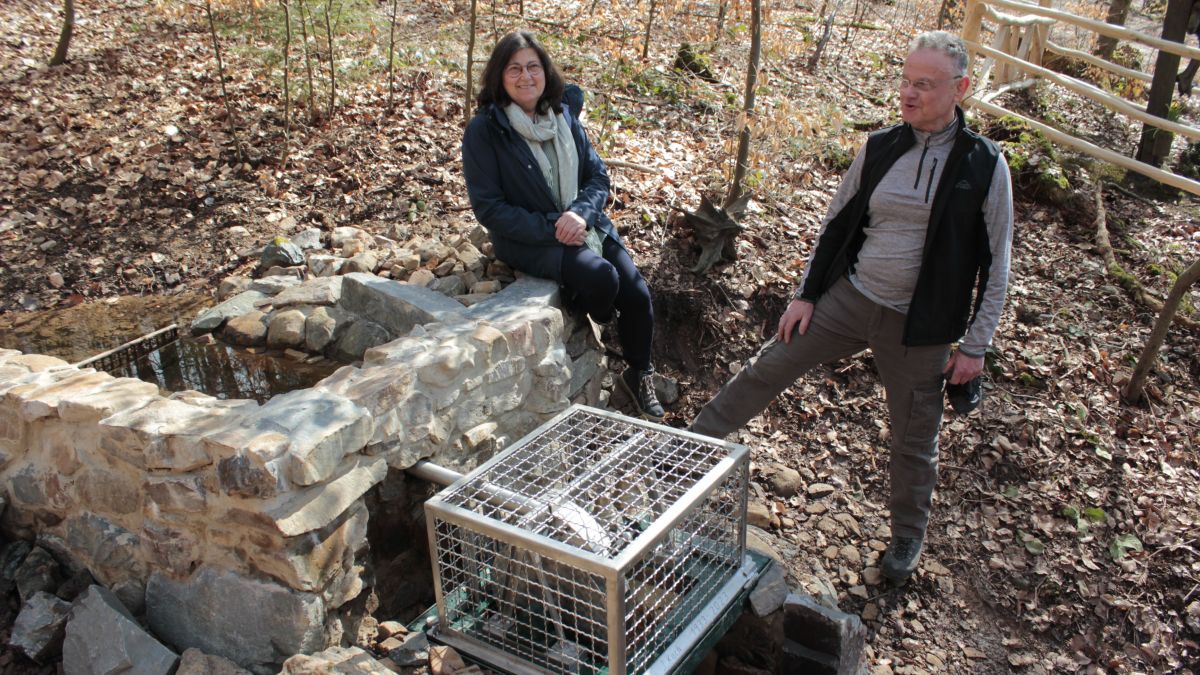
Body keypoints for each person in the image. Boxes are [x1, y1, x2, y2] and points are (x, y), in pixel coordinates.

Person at [690, 31, 1013, 583]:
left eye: (924, 85)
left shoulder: (984, 165)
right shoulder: (881, 146)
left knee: (915, 438)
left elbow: (998, 262)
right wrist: (807, 294)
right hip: (850, 297)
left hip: (922, 329)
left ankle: (907, 537)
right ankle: (689, 447)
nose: (908, 94)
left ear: (959, 89)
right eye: (905, 80)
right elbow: (837, 224)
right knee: (766, 367)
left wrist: (975, 347)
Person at [462, 31, 664, 420]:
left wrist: (581, 215)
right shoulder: (485, 131)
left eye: (533, 67)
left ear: (545, 71)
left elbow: (597, 176)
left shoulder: (563, 115)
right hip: (529, 237)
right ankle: (595, 312)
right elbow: (489, 209)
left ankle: (638, 373)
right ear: (499, 77)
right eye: (515, 69)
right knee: (603, 280)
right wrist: (557, 224)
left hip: (584, 223)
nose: (526, 77)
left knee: (637, 293)